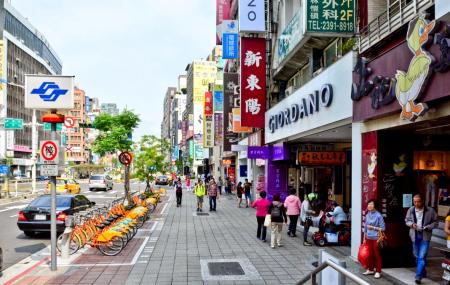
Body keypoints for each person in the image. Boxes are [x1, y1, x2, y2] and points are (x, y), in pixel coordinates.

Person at [405, 194, 438, 284]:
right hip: (414, 236)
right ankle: (423, 272)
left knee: (422, 256)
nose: (416, 203)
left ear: (422, 201)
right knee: (416, 256)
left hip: (425, 236)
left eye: (418, 201)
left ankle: (418, 277)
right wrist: (412, 224)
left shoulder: (430, 210)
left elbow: (436, 222)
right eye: (414, 201)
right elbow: (406, 220)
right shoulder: (411, 210)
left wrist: (428, 227)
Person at [363, 199, 385, 279]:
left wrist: (373, 227)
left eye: (371, 204)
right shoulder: (368, 214)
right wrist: (364, 238)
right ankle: (371, 269)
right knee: (369, 254)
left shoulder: (379, 216)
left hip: (376, 238)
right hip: (368, 237)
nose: (369, 206)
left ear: (375, 205)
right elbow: (365, 226)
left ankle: (378, 271)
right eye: (368, 204)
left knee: (377, 255)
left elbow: (383, 228)